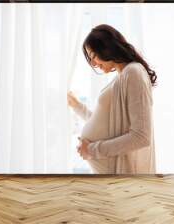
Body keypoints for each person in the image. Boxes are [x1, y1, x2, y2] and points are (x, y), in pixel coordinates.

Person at [67, 24, 157, 174]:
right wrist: (76, 105)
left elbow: (141, 136)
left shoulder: (133, 73)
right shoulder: (123, 76)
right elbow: (107, 124)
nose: (93, 63)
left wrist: (91, 150)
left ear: (107, 48)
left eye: (94, 56)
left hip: (122, 178)